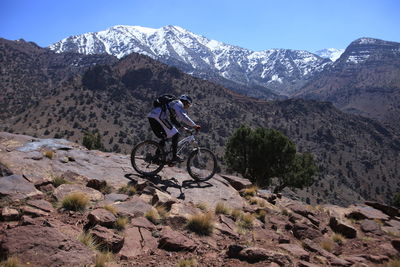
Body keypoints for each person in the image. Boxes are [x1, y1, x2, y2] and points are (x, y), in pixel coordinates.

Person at [147, 94, 201, 163]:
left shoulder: (172, 104)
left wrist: (182, 128)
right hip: (159, 117)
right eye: (188, 105)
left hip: (152, 117)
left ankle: (156, 157)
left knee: (164, 136)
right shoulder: (178, 103)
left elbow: (173, 120)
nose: (187, 107)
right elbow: (183, 116)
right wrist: (194, 125)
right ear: (185, 102)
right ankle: (174, 157)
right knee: (176, 134)